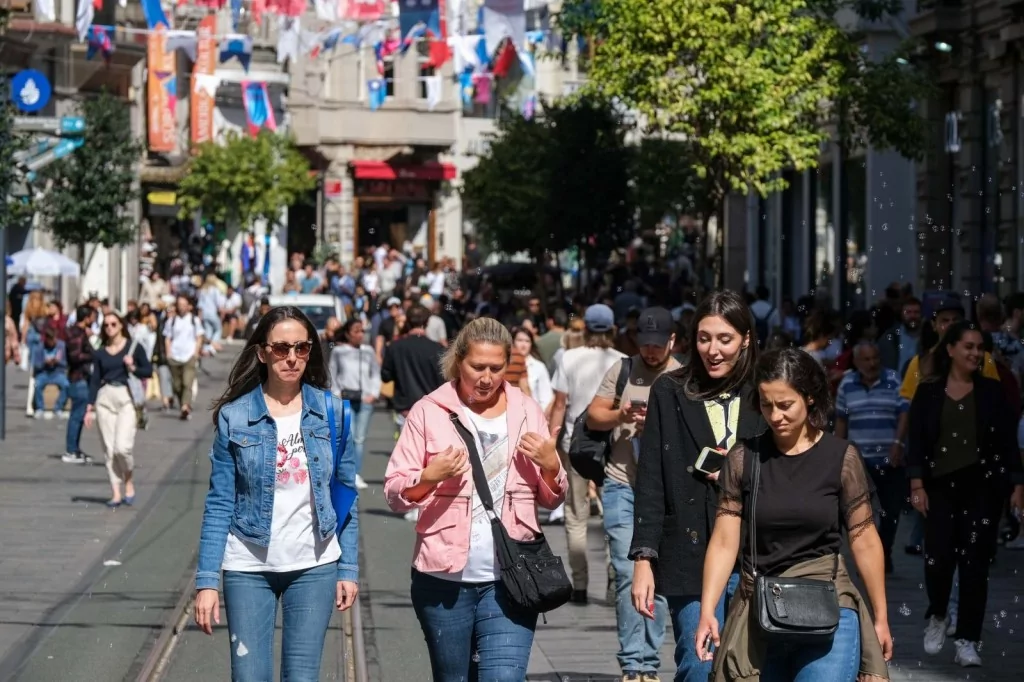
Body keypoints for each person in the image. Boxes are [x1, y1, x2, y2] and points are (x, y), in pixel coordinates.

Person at [383, 317, 567, 682]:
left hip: (512, 577)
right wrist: (428, 477)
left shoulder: (526, 410)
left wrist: (551, 466)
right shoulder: (428, 410)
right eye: (477, 367)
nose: (486, 377)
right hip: (443, 579)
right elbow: (395, 493)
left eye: (496, 368)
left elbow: (550, 497)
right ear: (458, 361)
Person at [698, 348, 892, 681]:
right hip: (760, 607)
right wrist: (707, 610)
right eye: (766, 404)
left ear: (810, 399)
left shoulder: (842, 458)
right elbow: (724, 541)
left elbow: (863, 539)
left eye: (785, 405)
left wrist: (881, 616)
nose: (775, 416)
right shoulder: (745, 457)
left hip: (829, 604)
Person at [193, 306, 360, 681]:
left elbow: (345, 495)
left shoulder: (333, 413)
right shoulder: (235, 417)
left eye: (301, 348)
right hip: (248, 564)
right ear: (262, 353)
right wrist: (207, 581)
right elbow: (219, 502)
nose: (292, 358)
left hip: (314, 564)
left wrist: (347, 567)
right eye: (282, 348)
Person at [630, 290, 765, 682]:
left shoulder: (764, 391)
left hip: (756, 551)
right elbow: (652, 476)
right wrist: (643, 558)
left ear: (745, 339)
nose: (713, 350)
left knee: (750, 666)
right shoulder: (669, 390)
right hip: (689, 551)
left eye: (725, 339)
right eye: (705, 338)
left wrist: (741, 471)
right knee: (699, 661)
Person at [907, 320, 1024, 667]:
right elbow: (917, 442)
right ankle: (938, 614)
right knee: (938, 559)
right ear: (951, 350)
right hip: (939, 488)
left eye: (979, 347)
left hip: (982, 489)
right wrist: (917, 484)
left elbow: (1007, 443)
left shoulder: (992, 391)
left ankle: (968, 639)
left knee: (975, 565)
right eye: (968, 346)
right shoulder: (928, 391)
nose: (975, 353)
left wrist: (1018, 486)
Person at [584, 307, 679, 682]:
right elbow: (593, 416)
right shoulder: (623, 370)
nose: (651, 352)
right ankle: (633, 663)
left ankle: (649, 662)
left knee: (656, 574)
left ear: (673, 341)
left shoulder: (683, 374)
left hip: (665, 492)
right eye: (646, 344)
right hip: (621, 482)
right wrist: (621, 416)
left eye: (658, 345)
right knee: (626, 571)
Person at [548, 304, 626, 604]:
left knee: (576, 515)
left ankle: (579, 585)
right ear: (612, 329)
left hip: (576, 446)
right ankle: (613, 573)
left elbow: (559, 405)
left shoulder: (568, 358)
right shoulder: (623, 361)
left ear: (586, 329)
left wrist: (552, 442)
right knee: (614, 514)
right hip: (613, 449)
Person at [833, 341, 904, 573]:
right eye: (866, 359)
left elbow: (904, 413)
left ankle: (885, 550)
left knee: (891, 511)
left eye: (875, 358)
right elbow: (842, 420)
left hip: (889, 459)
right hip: (859, 462)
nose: (872, 363)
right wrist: (841, 453)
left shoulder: (893, 380)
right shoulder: (847, 384)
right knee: (859, 511)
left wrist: (898, 443)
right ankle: (868, 555)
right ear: (855, 361)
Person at [84, 312, 153, 507]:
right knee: (109, 449)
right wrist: (89, 408)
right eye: (106, 325)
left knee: (122, 448)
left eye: (113, 324)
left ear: (121, 325)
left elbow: (148, 371)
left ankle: (128, 479)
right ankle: (115, 492)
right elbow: (95, 380)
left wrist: (133, 368)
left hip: (126, 397)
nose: (110, 328)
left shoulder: (133, 348)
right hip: (105, 398)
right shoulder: (100, 351)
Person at [330, 318, 382, 491]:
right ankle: (347, 473)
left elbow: (375, 373)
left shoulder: (368, 351)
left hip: (365, 399)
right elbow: (332, 373)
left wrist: (373, 393)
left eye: (362, 331)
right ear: (347, 333)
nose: (360, 335)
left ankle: (356, 473)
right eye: (356, 331)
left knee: (360, 438)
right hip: (346, 398)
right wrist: (337, 394)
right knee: (349, 436)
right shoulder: (339, 351)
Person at [164, 294, 205, 420]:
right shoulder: (172, 321)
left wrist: (196, 352)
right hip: (175, 356)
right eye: (179, 305)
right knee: (177, 385)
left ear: (189, 306)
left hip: (189, 355)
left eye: (183, 305)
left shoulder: (194, 320)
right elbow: (167, 338)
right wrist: (168, 353)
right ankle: (183, 403)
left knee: (187, 382)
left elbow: (199, 337)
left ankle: (185, 406)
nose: (181, 307)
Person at [63, 306, 96, 464]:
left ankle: (75, 448)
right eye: (93, 316)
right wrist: (93, 355)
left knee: (79, 415)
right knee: (77, 415)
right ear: (87, 317)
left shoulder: (78, 332)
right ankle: (71, 450)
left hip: (81, 378)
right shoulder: (77, 333)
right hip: (78, 378)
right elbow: (75, 356)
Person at [512, 326, 554, 413]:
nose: (523, 345)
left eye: (527, 341)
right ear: (513, 342)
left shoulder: (539, 367)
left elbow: (546, 398)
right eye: (519, 340)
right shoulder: (505, 364)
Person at [31, 329, 69, 420]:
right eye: (51, 340)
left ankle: (58, 407)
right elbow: (36, 365)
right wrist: (44, 363)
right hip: (44, 373)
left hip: (57, 372)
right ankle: (40, 408)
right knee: (38, 384)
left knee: (66, 385)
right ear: (47, 340)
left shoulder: (61, 346)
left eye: (55, 339)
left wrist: (57, 361)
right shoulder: (39, 347)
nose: (53, 342)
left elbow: (66, 364)